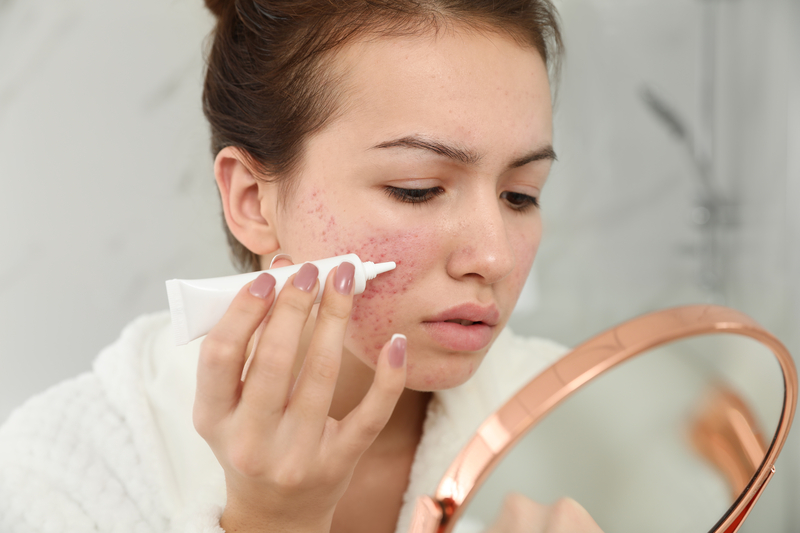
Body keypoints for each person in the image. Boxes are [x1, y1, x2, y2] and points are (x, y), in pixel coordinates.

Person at [0, 1, 603, 532]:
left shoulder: (597, 425)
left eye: (520, 194)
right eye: (416, 189)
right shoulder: (56, 481)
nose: (494, 257)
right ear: (252, 201)